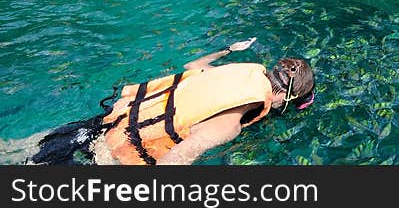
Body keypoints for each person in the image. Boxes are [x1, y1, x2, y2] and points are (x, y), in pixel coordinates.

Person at [23, 38, 315, 166]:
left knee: (23, 151)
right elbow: (171, 163)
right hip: (108, 157)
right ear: (283, 97)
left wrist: (229, 49)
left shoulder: (235, 72)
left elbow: (192, 65)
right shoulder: (229, 125)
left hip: (108, 122)